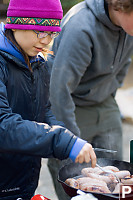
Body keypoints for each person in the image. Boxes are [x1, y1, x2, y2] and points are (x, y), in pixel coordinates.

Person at [0, 0, 97, 199]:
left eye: (52, 33)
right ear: (18, 23)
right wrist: (60, 139)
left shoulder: (39, 63)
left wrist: (70, 140)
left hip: (23, 180)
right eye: (41, 31)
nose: (46, 40)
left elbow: (43, 110)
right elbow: (3, 125)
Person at [47, 0, 133, 199]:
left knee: (115, 176)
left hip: (105, 101)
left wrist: (109, 93)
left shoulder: (127, 28)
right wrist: (71, 140)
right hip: (70, 104)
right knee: (72, 174)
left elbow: (124, 64)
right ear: (119, 7)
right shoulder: (81, 28)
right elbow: (59, 91)